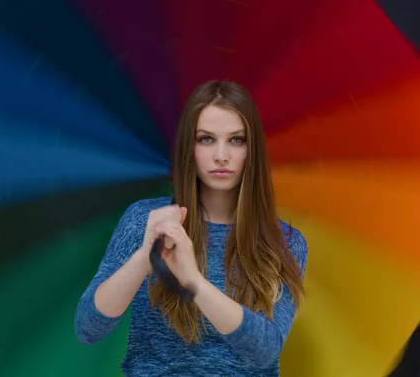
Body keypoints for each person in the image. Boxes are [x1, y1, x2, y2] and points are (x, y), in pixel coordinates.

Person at [74, 80, 308, 376]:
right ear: (189, 146)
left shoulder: (286, 243)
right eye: (206, 139)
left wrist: (193, 281)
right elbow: (88, 329)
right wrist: (146, 256)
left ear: (253, 150)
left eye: (236, 140)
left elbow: (265, 350)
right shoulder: (146, 219)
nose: (221, 155)